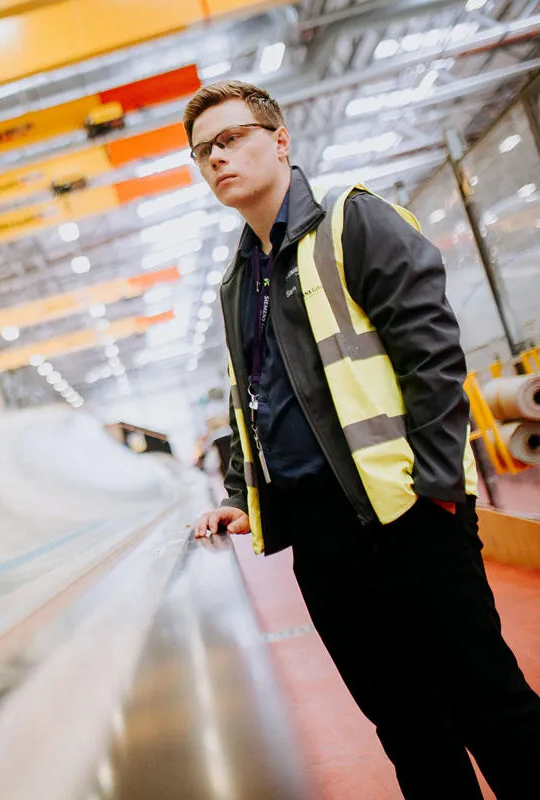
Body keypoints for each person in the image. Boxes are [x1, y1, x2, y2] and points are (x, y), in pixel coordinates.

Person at [187, 80, 540, 799]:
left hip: (409, 518)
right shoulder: (235, 281)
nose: (217, 158)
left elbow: (433, 360)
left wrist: (438, 493)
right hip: (321, 544)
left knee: (488, 703)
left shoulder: (354, 224)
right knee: (405, 727)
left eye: (230, 139)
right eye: (202, 151)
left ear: (279, 139)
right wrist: (237, 496)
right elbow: (252, 401)